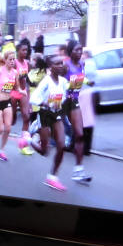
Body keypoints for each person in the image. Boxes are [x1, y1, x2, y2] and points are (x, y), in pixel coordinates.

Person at [30, 55, 69, 191]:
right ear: (50, 67)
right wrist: (45, 102)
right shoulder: (46, 81)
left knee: (61, 144)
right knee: (45, 151)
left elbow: (63, 96)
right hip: (45, 114)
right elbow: (33, 98)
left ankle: (52, 177)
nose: (60, 66)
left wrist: (61, 102)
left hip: (56, 114)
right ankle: (31, 139)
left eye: (61, 63)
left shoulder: (63, 81)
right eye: (57, 64)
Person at [63, 40, 94, 182]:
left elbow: (80, 78)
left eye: (81, 50)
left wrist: (88, 82)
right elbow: (56, 82)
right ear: (70, 52)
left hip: (73, 102)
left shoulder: (82, 64)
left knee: (80, 135)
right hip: (61, 102)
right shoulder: (65, 66)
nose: (80, 52)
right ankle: (37, 127)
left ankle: (78, 171)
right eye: (76, 50)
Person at [0, 50, 26, 161]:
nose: (13, 61)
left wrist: (21, 91)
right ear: (5, 60)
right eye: (10, 59)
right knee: (0, 129)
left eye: (14, 59)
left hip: (7, 101)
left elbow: (16, 87)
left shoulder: (15, 73)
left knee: (8, 128)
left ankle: (1, 151)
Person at [13, 38, 33, 155]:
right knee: (12, 121)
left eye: (27, 50)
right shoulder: (14, 63)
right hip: (14, 93)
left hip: (23, 92)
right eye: (23, 50)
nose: (25, 52)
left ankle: (23, 144)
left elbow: (27, 80)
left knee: (26, 117)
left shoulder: (27, 63)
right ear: (18, 51)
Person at [79, 50, 98, 155]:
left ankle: (84, 147)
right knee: (87, 121)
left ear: (85, 55)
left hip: (85, 93)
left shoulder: (87, 64)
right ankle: (86, 147)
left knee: (85, 121)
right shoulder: (92, 64)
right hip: (90, 93)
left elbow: (81, 77)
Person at [27, 53, 47, 125]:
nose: (30, 62)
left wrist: (25, 77)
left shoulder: (42, 72)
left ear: (35, 61)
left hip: (39, 100)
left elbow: (33, 82)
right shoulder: (32, 71)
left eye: (31, 60)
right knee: (32, 121)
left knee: (38, 121)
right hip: (31, 99)